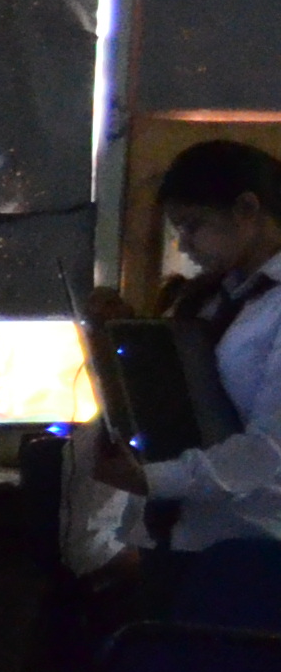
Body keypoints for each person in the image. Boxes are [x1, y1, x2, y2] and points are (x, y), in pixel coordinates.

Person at [82, 137, 281, 558]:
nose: (185, 245)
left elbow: (270, 450)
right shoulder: (215, 297)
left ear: (247, 209)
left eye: (193, 225)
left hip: (256, 544)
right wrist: (118, 339)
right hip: (184, 533)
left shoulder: (269, 305)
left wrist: (155, 479)